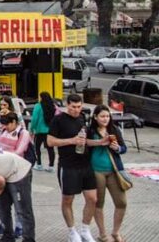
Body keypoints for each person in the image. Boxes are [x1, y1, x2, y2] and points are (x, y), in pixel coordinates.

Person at [48, 93, 108, 242]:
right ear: (67, 105)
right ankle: (71, 231)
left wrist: (101, 142)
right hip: (68, 165)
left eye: (79, 106)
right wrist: (71, 141)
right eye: (73, 107)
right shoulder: (58, 119)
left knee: (92, 199)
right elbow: (50, 142)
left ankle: (85, 229)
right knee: (68, 199)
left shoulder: (82, 118)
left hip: (85, 164)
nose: (76, 110)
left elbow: (85, 141)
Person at [89, 105, 128, 242]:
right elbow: (83, 145)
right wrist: (98, 142)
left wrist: (118, 148)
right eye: (102, 116)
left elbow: (124, 148)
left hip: (113, 170)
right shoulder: (90, 130)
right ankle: (102, 233)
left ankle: (115, 232)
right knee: (98, 203)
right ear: (95, 117)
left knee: (121, 202)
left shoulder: (114, 129)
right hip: (96, 170)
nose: (105, 119)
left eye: (107, 116)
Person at [0, 112, 33, 238]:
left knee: (22, 207)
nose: (5, 127)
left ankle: (27, 236)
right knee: (2, 205)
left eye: (7, 124)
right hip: (3, 172)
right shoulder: (4, 131)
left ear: (14, 122)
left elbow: (19, 151)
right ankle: (7, 234)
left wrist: (3, 156)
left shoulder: (23, 133)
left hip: (19, 173)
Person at [30, 91, 57, 172]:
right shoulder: (53, 106)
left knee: (37, 148)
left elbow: (34, 119)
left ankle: (39, 164)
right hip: (50, 131)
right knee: (50, 149)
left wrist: (32, 128)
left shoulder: (38, 106)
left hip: (39, 131)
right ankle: (51, 166)